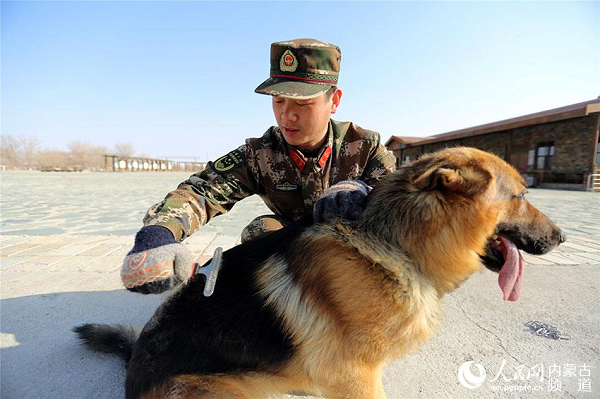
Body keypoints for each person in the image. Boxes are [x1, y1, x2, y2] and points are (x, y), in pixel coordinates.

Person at [121, 38, 396, 294]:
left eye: (303, 103)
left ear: (333, 101)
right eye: (278, 101)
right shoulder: (260, 154)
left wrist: (360, 190)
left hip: (351, 249)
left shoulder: (365, 146)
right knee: (260, 232)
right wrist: (159, 234)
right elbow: (202, 192)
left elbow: (401, 201)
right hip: (294, 246)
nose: (287, 115)